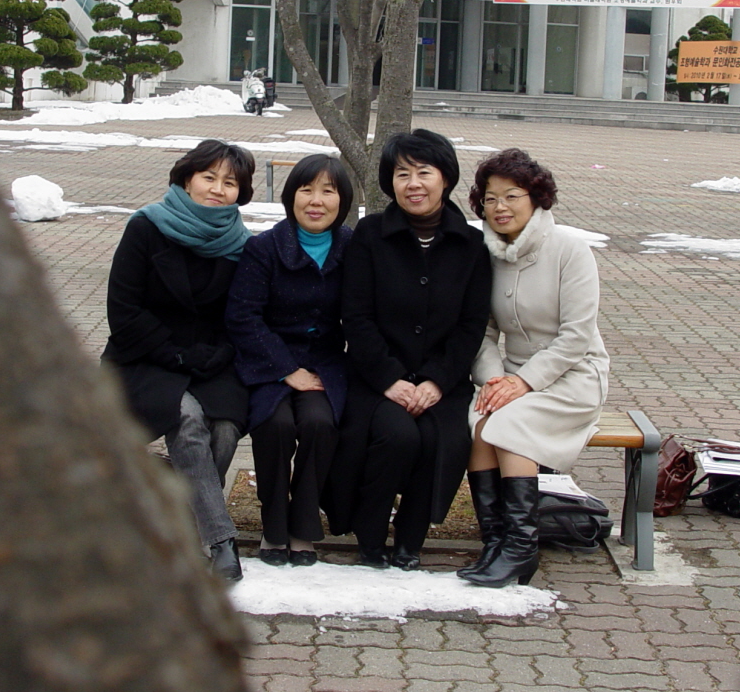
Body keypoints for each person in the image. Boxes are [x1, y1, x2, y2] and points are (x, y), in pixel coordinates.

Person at [325, 129, 492, 569]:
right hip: (376, 378)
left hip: (442, 381)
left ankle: (410, 541)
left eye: (424, 172)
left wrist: (437, 381)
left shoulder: (472, 245)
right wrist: (390, 379)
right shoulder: (370, 234)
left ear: (445, 178)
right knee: (397, 436)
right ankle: (370, 536)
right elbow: (355, 317)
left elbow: (471, 325)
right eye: (402, 174)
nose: (413, 184)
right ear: (390, 182)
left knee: (438, 438)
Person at [101, 139, 256, 583]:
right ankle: (221, 542)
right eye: (209, 177)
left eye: (230, 183)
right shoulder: (146, 227)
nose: (218, 189)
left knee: (224, 427)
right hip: (145, 357)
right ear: (187, 180)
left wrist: (218, 354)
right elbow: (123, 311)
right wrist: (175, 353)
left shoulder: (242, 244)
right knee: (187, 419)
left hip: (210, 361)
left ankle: (184, 522)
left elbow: (241, 315)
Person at [459, 148, 610, 587]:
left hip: (573, 376)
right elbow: (482, 332)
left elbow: (577, 336)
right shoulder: (487, 254)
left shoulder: (569, 250)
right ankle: (496, 542)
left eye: (512, 196)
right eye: (490, 198)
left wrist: (523, 382)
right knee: (481, 422)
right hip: (510, 375)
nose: (500, 207)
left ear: (536, 198)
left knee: (511, 425)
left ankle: (522, 550)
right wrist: (495, 379)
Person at [225, 155, 354, 568]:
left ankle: (302, 526)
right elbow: (243, 316)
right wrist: (286, 370)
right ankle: (274, 525)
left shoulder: (352, 248)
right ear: (290, 197)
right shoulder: (264, 247)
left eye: (328, 191)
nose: (316, 201)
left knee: (319, 424)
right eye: (306, 190)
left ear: (342, 200)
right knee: (276, 426)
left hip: (325, 364)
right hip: (269, 363)